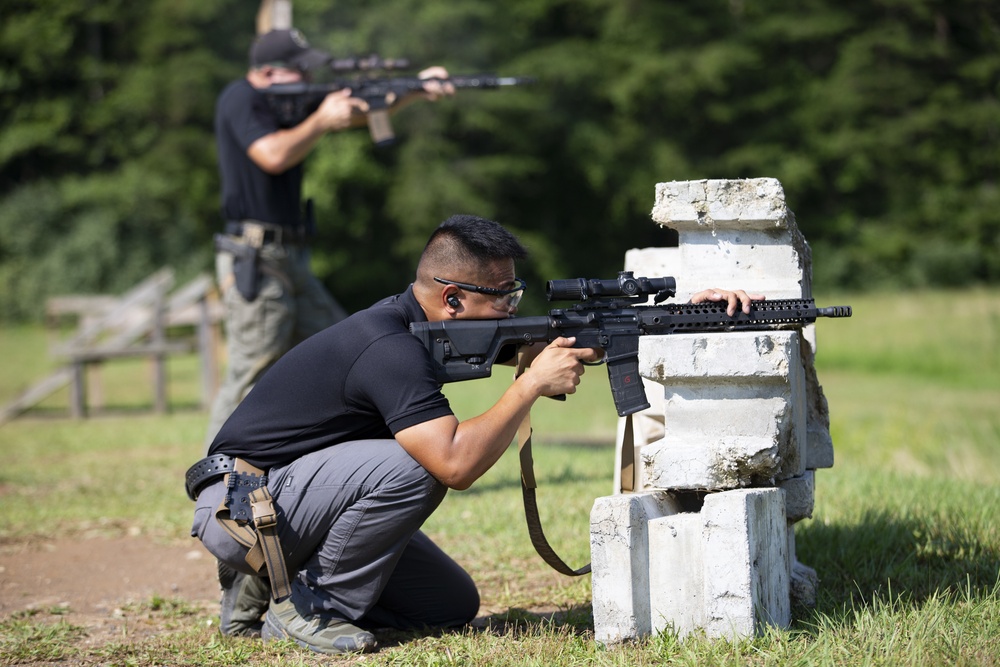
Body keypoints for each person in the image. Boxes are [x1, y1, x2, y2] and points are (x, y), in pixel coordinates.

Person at [186, 214, 763, 655]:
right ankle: (309, 606)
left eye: (516, 294)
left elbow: (556, 338)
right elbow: (455, 466)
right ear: (453, 299)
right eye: (503, 298)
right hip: (244, 508)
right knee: (418, 465)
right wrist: (528, 386)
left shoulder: (423, 322)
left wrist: (693, 309)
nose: (513, 309)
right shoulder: (388, 348)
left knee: (449, 604)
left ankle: (265, 585)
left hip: (282, 503)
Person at [205, 27, 454, 448]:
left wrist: (415, 90)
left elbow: (357, 115)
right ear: (268, 73)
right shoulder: (241, 98)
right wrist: (321, 119)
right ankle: (216, 478)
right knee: (251, 368)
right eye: (299, 71)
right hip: (256, 258)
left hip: (290, 257)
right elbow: (272, 155)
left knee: (351, 349)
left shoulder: (287, 107)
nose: (307, 79)